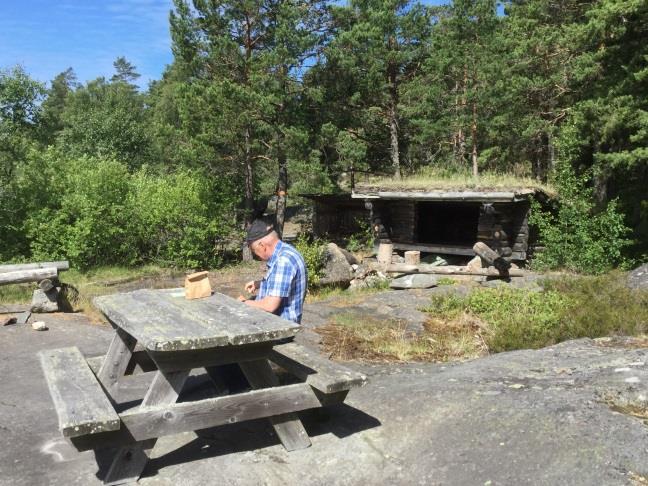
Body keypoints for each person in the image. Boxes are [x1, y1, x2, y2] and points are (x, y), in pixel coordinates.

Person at [237, 219, 307, 324]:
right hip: (278, 322)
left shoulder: (283, 261)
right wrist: (260, 284)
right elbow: (284, 283)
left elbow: (270, 306)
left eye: (254, 252)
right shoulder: (287, 251)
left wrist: (243, 302)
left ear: (262, 246)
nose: (257, 256)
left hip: (280, 326)